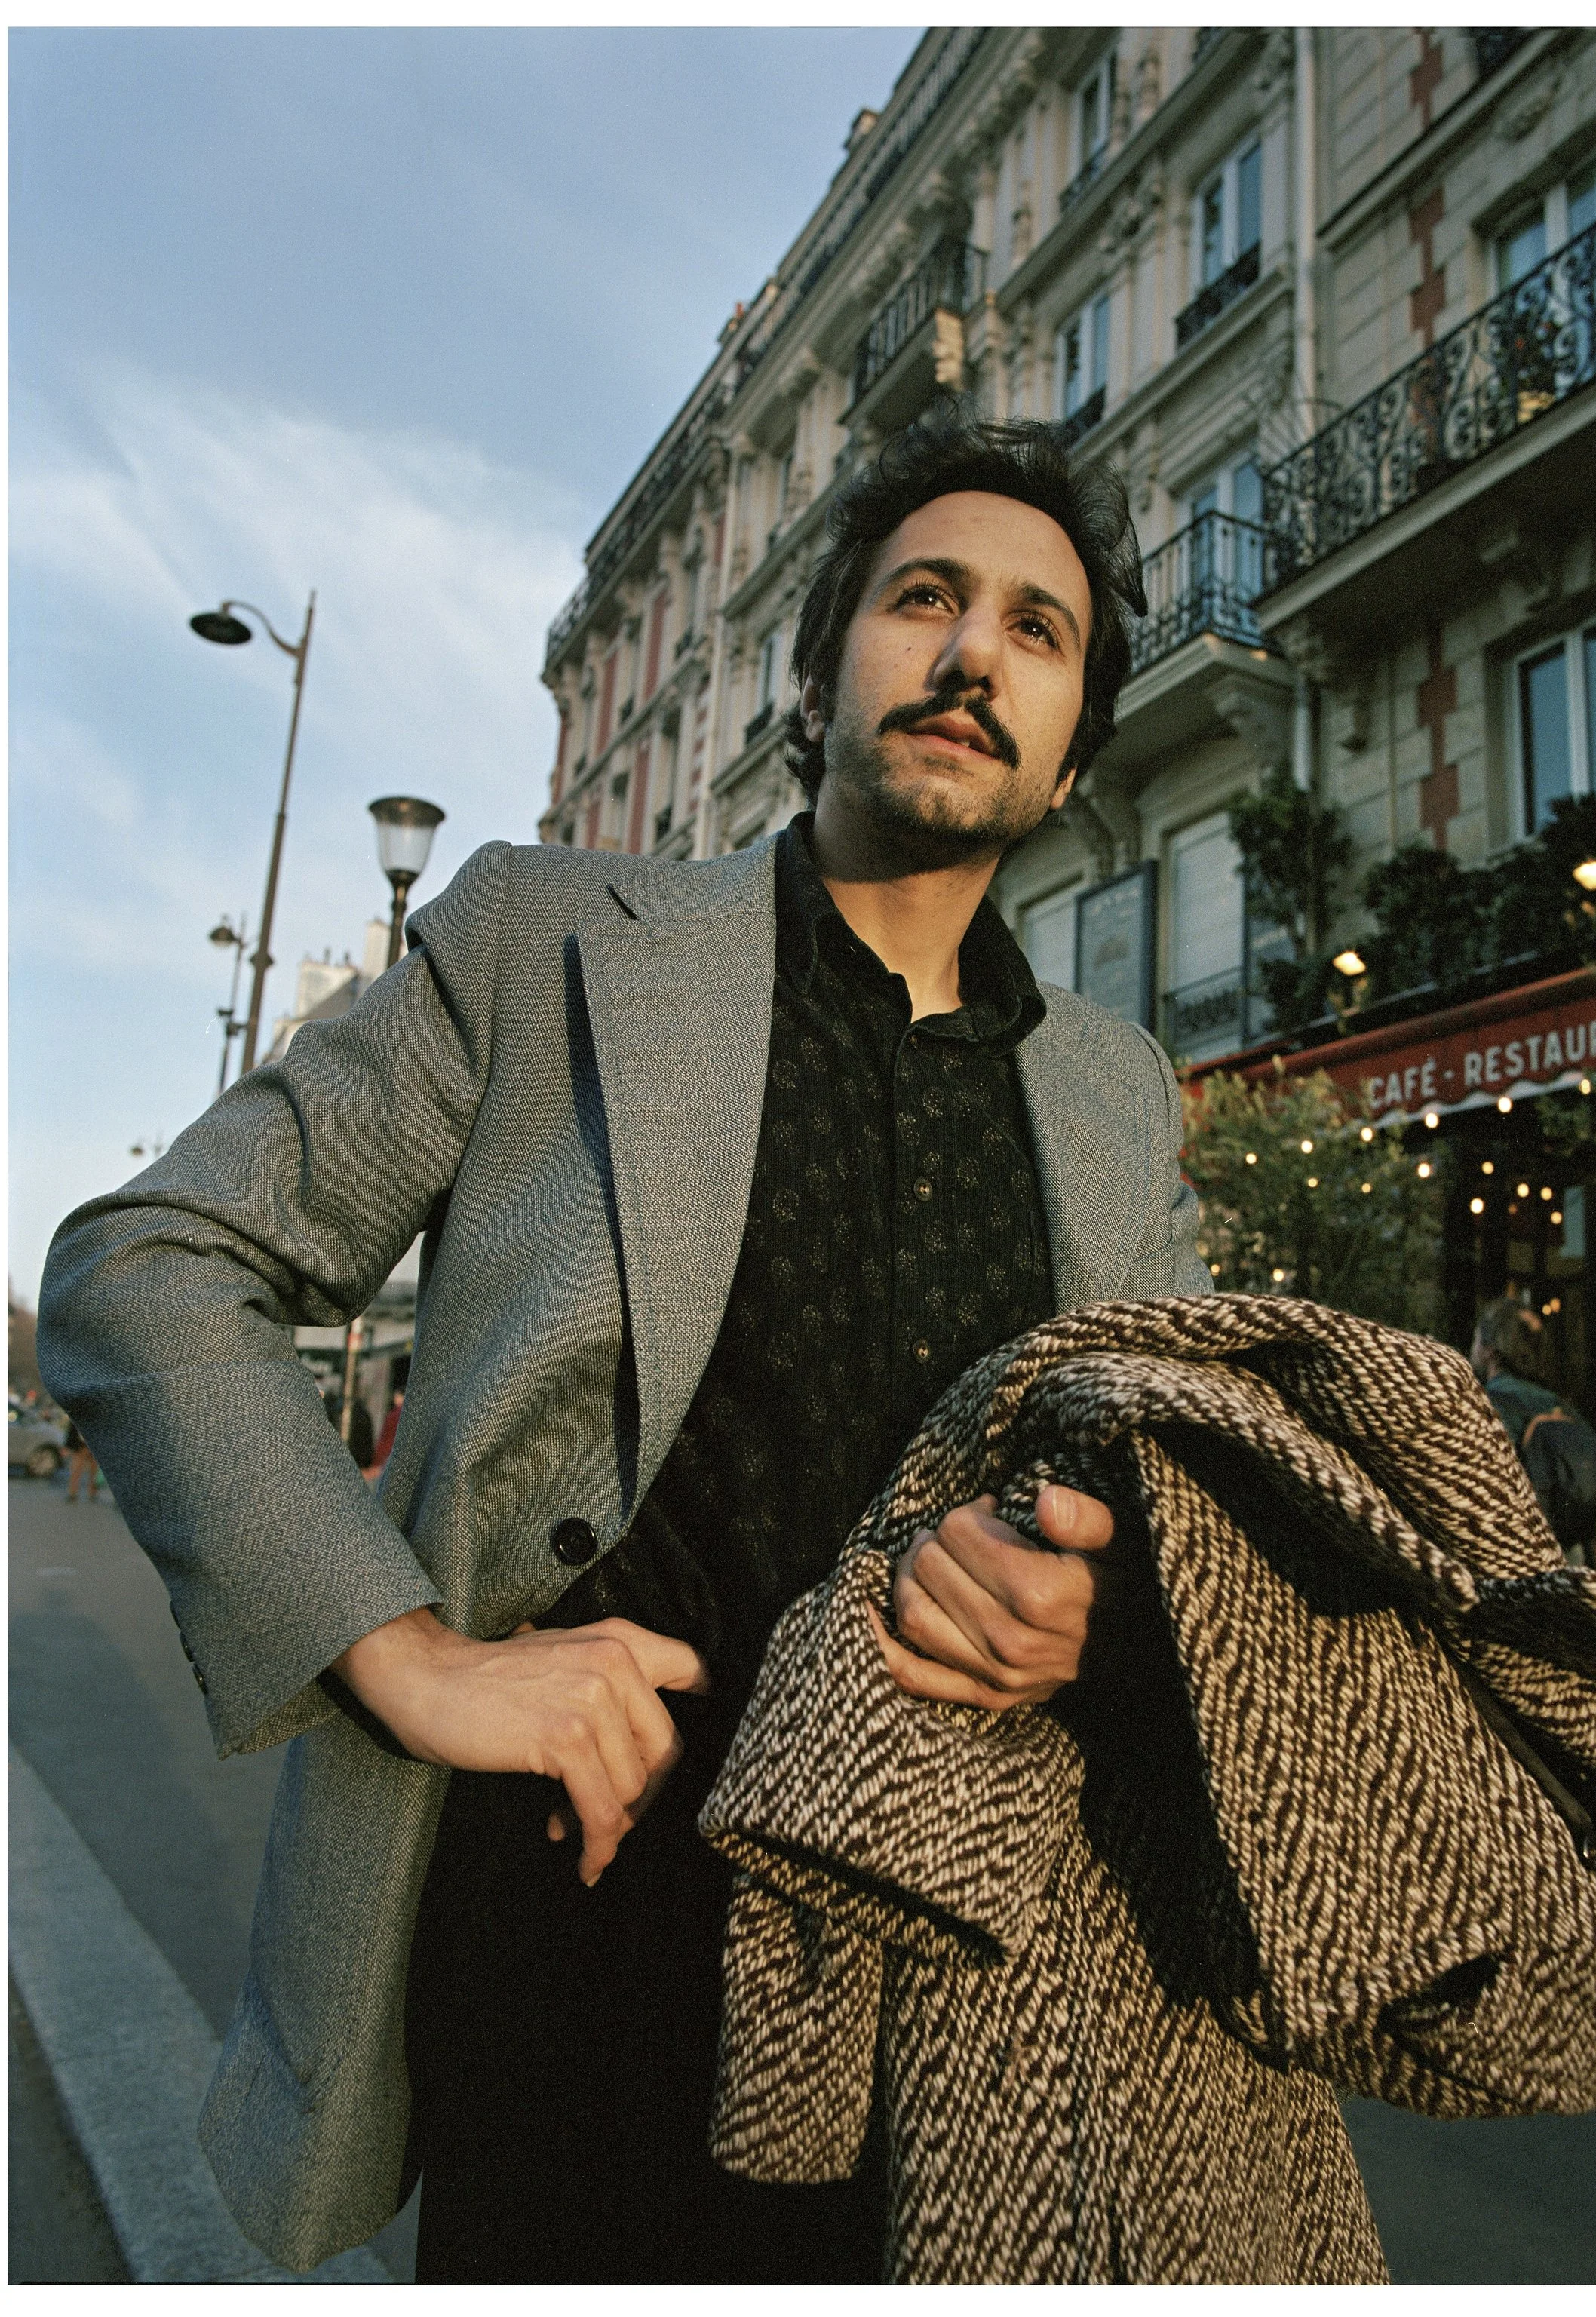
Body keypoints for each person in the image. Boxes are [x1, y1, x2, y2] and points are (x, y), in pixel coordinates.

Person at [36, 404, 1208, 2285]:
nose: (974, 652)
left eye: (1039, 629)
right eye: (925, 597)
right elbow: (147, 1260)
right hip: (574, 1974)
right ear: (817, 675)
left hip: (963, 2031)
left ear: (1074, 751)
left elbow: (1182, 1508)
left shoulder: (1116, 1100)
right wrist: (400, 1645)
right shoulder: (546, 934)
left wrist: (1102, 1607)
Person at [1470, 1299, 1596, 1597]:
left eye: (1477, 1340)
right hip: (1570, 1573)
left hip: (1511, 1577)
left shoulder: (1487, 1406)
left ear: (1491, 1350)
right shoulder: (1565, 1410)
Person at [63, 1413, 99, 1502]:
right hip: (80, 1446)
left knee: (94, 1471)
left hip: (94, 1446)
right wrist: (68, 1447)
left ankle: (92, 1493)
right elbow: (72, 1430)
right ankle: (73, 1493)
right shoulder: (79, 1413)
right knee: (76, 1470)